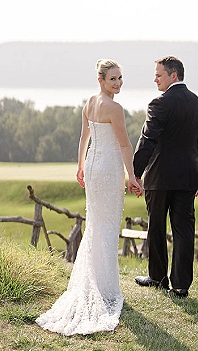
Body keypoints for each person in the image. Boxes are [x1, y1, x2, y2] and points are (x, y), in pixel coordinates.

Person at [35, 59, 143, 336]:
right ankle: (106, 288)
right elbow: (124, 144)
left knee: (97, 224)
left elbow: (84, 137)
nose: (118, 83)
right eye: (113, 79)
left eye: (120, 78)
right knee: (105, 226)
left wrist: (80, 166)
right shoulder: (115, 108)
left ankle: (100, 282)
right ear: (101, 80)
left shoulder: (89, 103)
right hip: (107, 169)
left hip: (94, 168)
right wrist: (132, 175)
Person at [131, 56, 198, 297]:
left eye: (159, 74)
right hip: (189, 177)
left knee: (156, 227)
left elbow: (147, 140)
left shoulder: (159, 104)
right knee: (184, 230)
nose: (155, 78)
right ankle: (181, 285)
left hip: (159, 177)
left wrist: (135, 173)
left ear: (173, 75)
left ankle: (157, 278)